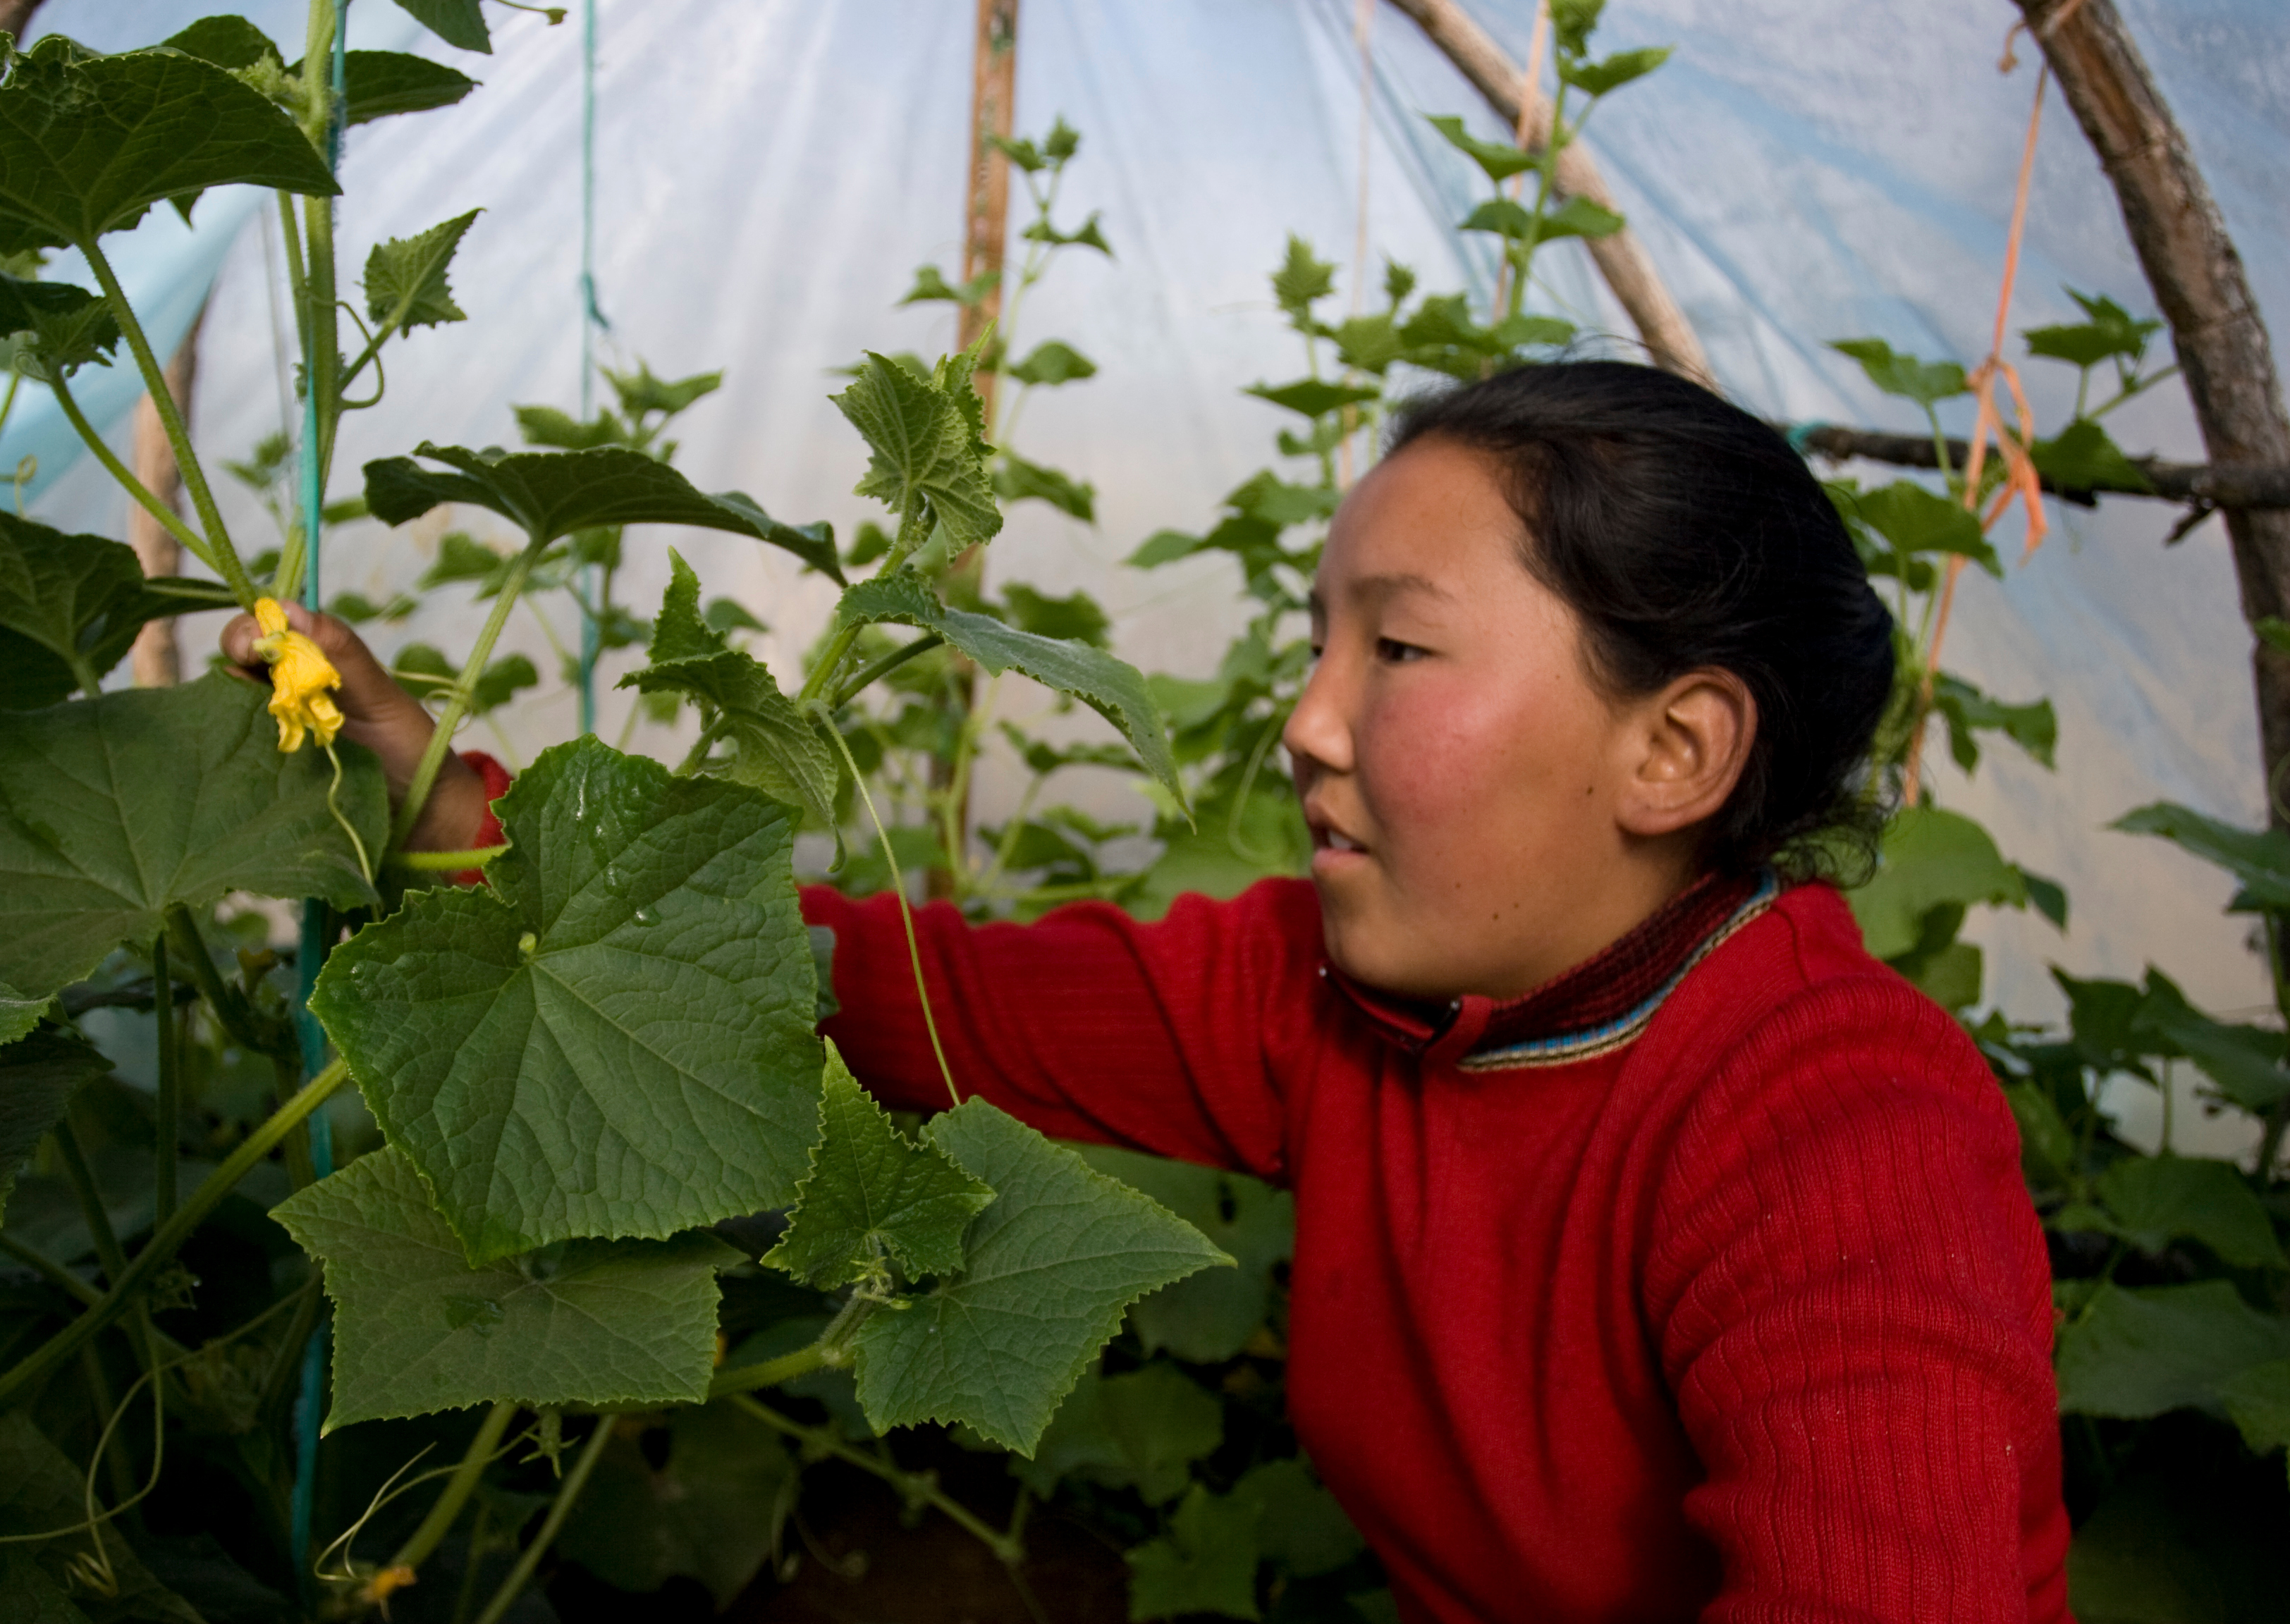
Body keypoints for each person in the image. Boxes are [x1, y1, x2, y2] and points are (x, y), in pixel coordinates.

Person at [225, 361, 2072, 1624]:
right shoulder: (1323, 998)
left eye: (1400, 648)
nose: (1307, 719)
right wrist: (470, 829)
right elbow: (903, 997)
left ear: (1674, 751)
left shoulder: (1843, 1126)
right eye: (1319, 641)